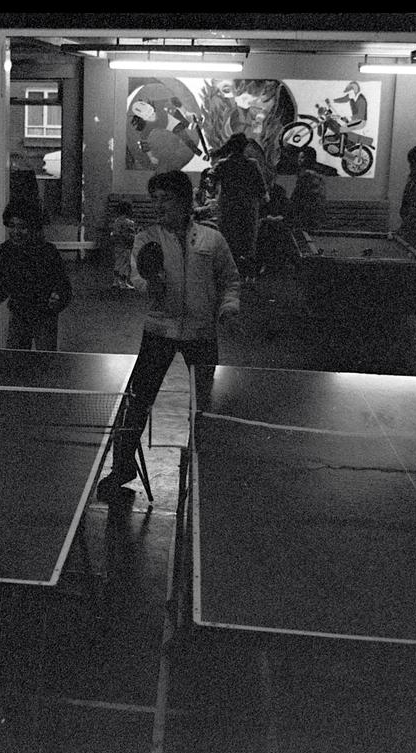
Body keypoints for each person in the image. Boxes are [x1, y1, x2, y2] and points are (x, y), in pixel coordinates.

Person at [96, 170, 241, 501]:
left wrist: (228, 308)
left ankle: (205, 468)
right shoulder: (147, 239)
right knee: (137, 402)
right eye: (154, 199)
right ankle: (122, 467)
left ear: (184, 201)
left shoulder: (211, 239)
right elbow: (137, 277)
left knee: (204, 406)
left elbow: (230, 279)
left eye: (165, 199)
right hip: (159, 330)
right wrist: (152, 285)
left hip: (201, 333)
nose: (158, 206)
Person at [0, 198, 72, 351]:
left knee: (46, 363)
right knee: (15, 362)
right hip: (19, 317)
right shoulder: (4, 252)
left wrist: (59, 298)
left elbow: (64, 286)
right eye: (12, 226)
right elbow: (0, 288)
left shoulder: (48, 252)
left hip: (45, 318)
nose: (16, 232)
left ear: (33, 228)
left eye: (22, 227)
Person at [211, 133, 269, 284]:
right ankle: (248, 277)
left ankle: (228, 276)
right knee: (248, 244)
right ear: (245, 147)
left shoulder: (223, 164)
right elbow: (261, 189)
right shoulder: (252, 164)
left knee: (228, 243)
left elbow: (210, 183)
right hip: (248, 209)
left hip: (227, 208)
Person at [288, 146, 329, 231]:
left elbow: (298, 195)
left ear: (309, 159)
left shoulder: (306, 175)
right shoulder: (317, 175)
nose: (299, 160)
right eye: (298, 157)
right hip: (315, 214)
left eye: (302, 157)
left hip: (308, 215)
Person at [109, 200, 138, 289]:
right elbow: (131, 235)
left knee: (118, 263)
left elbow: (115, 234)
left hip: (117, 245)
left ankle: (115, 281)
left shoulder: (117, 221)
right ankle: (123, 282)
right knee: (125, 264)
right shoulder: (129, 222)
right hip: (126, 246)